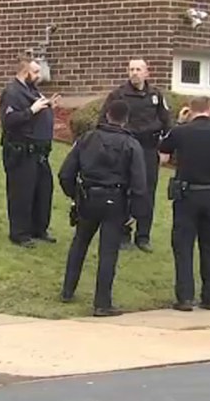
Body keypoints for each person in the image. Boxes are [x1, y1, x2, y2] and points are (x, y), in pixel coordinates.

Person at [58, 99, 149, 317]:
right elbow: (139, 182)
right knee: (108, 252)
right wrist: (135, 212)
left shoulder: (87, 139)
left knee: (79, 243)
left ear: (107, 115)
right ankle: (102, 302)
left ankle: (67, 291)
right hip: (115, 200)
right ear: (126, 120)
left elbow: (65, 173)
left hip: (88, 197)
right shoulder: (131, 144)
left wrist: (74, 194)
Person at [157, 97, 210, 312]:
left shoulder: (181, 132)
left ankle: (185, 298)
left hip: (186, 196)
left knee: (183, 248)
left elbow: (163, 157)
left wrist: (179, 123)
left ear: (190, 111)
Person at [98, 59, 172, 252]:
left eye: (138, 69)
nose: (134, 73)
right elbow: (102, 120)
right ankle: (123, 234)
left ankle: (143, 236)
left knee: (147, 192)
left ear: (147, 73)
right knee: (124, 189)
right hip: (126, 148)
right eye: (131, 69)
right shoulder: (118, 95)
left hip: (148, 149)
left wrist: (165, 149)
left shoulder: (155, 95)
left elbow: (167, 122)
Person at [0, 50, 61, 247]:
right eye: (35, 72)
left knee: (43, 191)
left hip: (39, 153)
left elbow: (37, 109)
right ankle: (19, 233)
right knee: (22, 193)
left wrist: (48, 106)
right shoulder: (12, 93)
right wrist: (32, 110)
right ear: (24, 72)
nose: (39, 75)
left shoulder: (32, 90)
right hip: (21, 151)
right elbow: (9, 121)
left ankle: (39, 228)